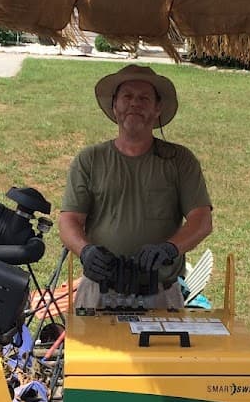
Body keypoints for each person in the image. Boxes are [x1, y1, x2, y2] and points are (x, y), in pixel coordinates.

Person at [59, 63, 213, 309]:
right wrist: (86, 251)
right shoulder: (90, 159)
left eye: (144, 98)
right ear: (114, 105)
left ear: (157, 108)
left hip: (160, 291)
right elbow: (69, 220)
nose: (134, 104)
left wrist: (169, 249)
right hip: (99, 289)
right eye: (127, 96)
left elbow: (201, 220)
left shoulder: (179, 160)